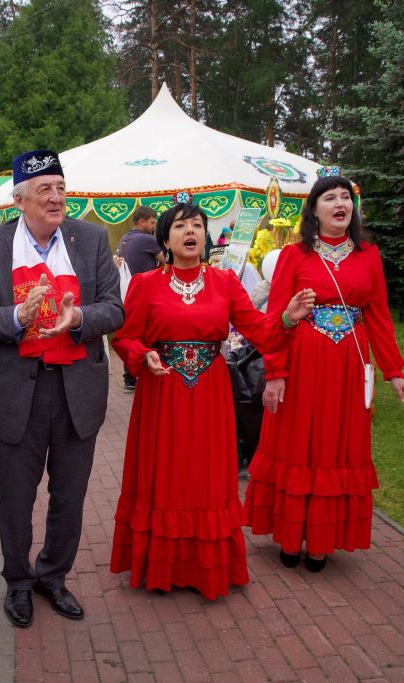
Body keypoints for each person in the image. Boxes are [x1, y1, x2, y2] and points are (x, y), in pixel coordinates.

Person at [110, 202, 314, 599]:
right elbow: (124, 337)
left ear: (205, 236)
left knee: (204, 476)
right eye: (181, 226)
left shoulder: (224, 282)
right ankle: (162, 566)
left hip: (210, 395)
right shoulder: (145, 284)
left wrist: (287, 318)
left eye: (198, 226)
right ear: (165, 238)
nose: (191, 231)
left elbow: (261, 332)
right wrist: (142, 355)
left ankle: (204, 567)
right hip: (162, 392)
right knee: (166, 475)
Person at [0, 150, 123, 628]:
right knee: (16, 496)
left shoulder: (90, 237)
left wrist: (80, 318)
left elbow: (115, 309)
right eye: (44, 190)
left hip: (77, 390)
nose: (56, 198)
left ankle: (53, 576)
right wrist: (18, 316)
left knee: (70, 496)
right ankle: (18, 582)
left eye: (60, 187)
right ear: (20, 200)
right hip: (18, 394)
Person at [243, 168, 404, 573]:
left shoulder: (368, 256)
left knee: (335, 446)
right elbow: (278, 316)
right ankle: (290, 536)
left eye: (345, 197)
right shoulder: (293, 256)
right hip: (303, 363)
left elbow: (378, 316)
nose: (340, 203)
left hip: (348, 367)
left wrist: (394, 370)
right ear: (314, 210)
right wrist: (275, 372)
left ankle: (321, 541)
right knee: (296, 444)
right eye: (330, 198)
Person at [116, 205, 161, 392]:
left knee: (130, 335)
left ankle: (129, 379)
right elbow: (166, 260)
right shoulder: (147, 239)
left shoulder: (124, 238)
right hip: (147, 293)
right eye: (152, 222)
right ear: (141, 221)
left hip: (128, 294)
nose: (154, 225)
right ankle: (147, 371)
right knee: (147, 335)